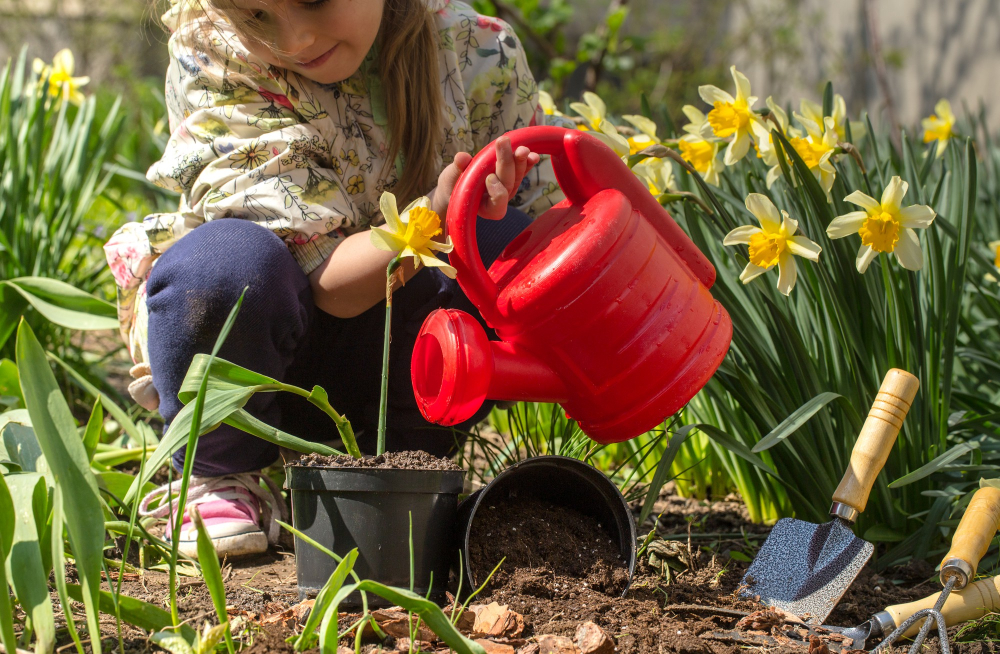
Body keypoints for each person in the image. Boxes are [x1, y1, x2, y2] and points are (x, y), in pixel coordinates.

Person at [104, 0, 565, 558]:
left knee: (505, 241)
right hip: (266, 350)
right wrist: (435, 215)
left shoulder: (479, 52)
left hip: (407, 357)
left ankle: (409, 461)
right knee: (222, 267)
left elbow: (550, 229)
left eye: (314, 0)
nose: (295, 39)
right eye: (257, 16)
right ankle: (222, 468)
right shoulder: (218, 54)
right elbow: (330, 285)